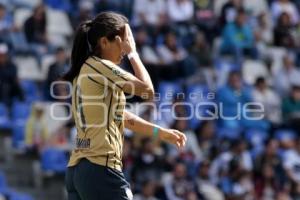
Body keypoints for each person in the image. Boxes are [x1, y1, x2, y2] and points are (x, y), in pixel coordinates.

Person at [63, 12, 187, 200]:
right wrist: (134, 54)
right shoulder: (101, 67)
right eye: (123, 41)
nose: (125, 46)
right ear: (104, 42)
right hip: (100, 168)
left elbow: (123, 117)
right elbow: (147, 92)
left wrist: (159, 132)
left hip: (78, 171)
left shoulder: (87, 69)